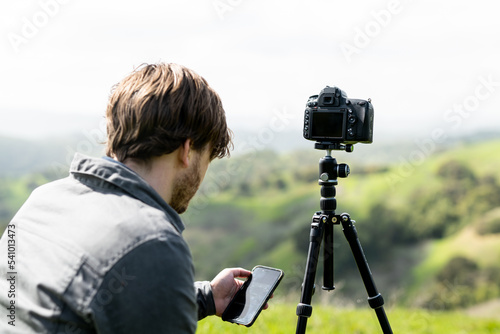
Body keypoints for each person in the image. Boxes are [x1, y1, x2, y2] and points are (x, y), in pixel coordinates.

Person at [0, 63, 255, 333]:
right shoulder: (151, 240)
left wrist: (207, 297)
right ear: (187, 150)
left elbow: (82, 305)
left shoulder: (44, 199)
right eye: (207, 159)